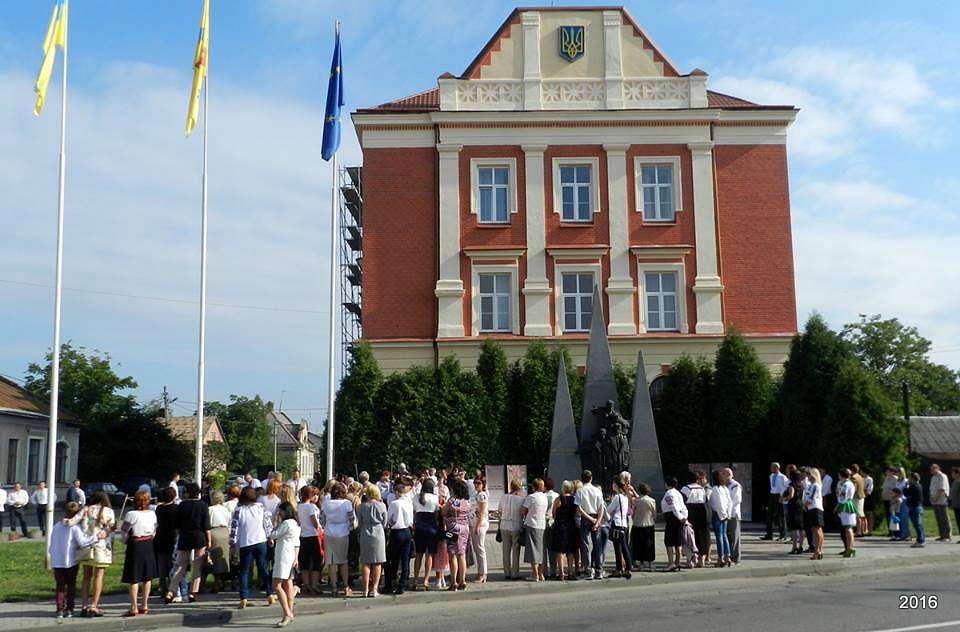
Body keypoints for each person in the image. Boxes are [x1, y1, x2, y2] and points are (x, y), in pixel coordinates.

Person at [49, 501, 106, 619]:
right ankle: (69, 609)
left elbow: (52, 542)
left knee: (60, 586)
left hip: (57, 560)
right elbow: (83, 542)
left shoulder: (56, 526)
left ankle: (60, 609)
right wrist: (96, 537)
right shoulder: (75, 528)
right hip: (70, 560)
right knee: (71, 585)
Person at [230, 486, 275, 608]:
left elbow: (234, 528)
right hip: (260, 541)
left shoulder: (239, 510)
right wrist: (270, 537)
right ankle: (270, 593)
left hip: (246, 543)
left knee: (244, 571)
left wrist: (232, 543)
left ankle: (244, 598)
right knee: (263, 568)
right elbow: (267, 524)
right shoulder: (260, 508)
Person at [167, 482, 210, 604]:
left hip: (185, 536)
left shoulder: (182, 505)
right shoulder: (203, 505)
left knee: (180, 565)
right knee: (197, 566)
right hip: (199, 536)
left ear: (188, 492)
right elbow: (206, 525)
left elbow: (177, 525)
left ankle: (171, 590)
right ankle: (192, 592)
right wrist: (209, 540)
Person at [120, 491, 158, 617]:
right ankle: (145, 604)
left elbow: (125, 531)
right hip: (148, 543)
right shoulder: (152, 514)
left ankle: (133, 606)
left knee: (134, 576)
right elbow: (154, 530)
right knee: (147, 576)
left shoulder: (131, 514)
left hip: (135, 544)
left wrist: (125, 541)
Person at [78, 491, 115, 618]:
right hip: (101, 547)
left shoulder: (86, 509)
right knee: (98, 576)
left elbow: (81, 526)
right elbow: (111, 528)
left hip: (87, 545)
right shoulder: (108, 511)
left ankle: (83, 605)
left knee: (86, 576)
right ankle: (94, 605)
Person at [269, 502, 301, 628]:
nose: (279, 513)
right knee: (288, 583)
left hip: (284, 554)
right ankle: (289, 612)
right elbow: (297, 542)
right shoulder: (296, 523)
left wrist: (275, 522)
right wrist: (296, 557)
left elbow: (273, 534)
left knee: (276, 585)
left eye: (280, 511)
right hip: (291, 553)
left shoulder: (286, 523)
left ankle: (287, 614)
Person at [321, 481, 355, 596]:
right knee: (343, 561)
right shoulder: (347, 503)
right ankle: (346, 587)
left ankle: (334, 587)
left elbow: (322, 519)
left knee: (331, 562)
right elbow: (352, 519)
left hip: (329, 533)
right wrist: (349, 529)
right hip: (343, 533)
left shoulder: (326, 503)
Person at [574, 470, 606, 580]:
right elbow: (602, 507)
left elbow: (579, 509)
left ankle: (588, 571)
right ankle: (599, 570)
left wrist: (589, 518)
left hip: (586, 518)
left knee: (586, 545)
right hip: (596, 516)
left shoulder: (580, 491)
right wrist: (597, 521)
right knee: (598, 545)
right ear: (591, 478)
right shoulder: (597, 491)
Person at [384, 479, 414, 595]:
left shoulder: (394, 503)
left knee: (391, 558)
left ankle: (389, 582)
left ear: (397, 492)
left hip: (397, 531)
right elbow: (410, 519)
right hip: (407, 531)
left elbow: (390, 519)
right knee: (405, 559)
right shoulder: (408, 503)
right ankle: (402, 584)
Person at [358, 484, 387, 598]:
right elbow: (385, 522)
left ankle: (365, 589)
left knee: (365, 562)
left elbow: (359, 522)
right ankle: (374, 588)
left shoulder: (362, 506)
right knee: (377, 562)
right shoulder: (382, 505)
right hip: (378, 532)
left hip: (365, 531)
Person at [443, 478, 472, 591]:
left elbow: (444, 511)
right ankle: (463, 580)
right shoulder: (467, 501)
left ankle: (453, 582)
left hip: (452, 530)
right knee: (462, 555)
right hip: (465, 529)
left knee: (452, 554)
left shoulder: (452, 501)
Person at [153, 487, 180, 603]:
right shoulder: (176, 508)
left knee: (162, 565)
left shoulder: (159, 509)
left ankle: (163, 587)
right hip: (172, 537)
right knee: (172, 565)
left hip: (160, 537)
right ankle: (171, 588)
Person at [412, 478, 439, 590]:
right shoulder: (435, 498)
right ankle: (426, 580)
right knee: (429, 555)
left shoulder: (416, 497)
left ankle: (415, 579)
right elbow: (437, 513)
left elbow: (414, 512)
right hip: (431, 526)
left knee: (418, 555)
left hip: (419, 526)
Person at [549, 481, 579, 580]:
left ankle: (561, 573)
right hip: (571, 525)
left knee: (560, 551)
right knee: (570, 551)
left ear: (563, 488)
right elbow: (576, 512)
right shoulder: (574, 499)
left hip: (560, 526)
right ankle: (570, 572)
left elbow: (553, 513)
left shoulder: (559, 499)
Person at [296, 486, 322, 594]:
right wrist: (319, 528)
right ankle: (314, 585)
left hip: (302, 536)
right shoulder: (310, 507)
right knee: (316, 561)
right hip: (312, 535)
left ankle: (306, 584)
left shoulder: (299, 506)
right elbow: (314, 521)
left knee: (304, 562)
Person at [521, 478, 548, 583]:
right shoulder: (544, 497)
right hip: (542, 525)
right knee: (541, 550)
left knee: (532, 550)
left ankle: (535, 574)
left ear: (533, 486)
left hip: (532, 524)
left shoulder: (531, 497)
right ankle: (541, 574)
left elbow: (523, 511)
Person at [206, 490, 232, 593]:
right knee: (223, 558)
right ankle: (222, 581)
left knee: (214, 559)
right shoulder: (225, 510)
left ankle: (217, 582)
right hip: (225, 532)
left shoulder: (210, 509)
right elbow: (229, 521)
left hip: (214, 531)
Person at [681, 472, 709, 566]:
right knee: (701, 535)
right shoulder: (702, 488)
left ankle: (690, 560)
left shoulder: (686, 488)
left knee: (689, 535)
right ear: (697, 480)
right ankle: (701, 559)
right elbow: (705, 500)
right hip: (701, 511)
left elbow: (682, 501)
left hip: (690, 511)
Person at [499, 478, 525, 580]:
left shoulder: (503, 497)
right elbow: (523, 513)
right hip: (516, 525)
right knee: (516, 550)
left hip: (504, 524)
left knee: (505, 550)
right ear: (519, 488)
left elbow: (499, 510)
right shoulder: (521, 499)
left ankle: (507, 572)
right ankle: (515, 573)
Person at [607, 478, 632, 578]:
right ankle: (623, 568)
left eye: (613, 484)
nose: (612, 486)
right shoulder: (625, 497)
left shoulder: (617, 497)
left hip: (617, 524)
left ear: (616, 485)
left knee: (620, 548)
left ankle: (623, 568)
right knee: (623, 546)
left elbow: (609, 510)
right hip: (624, 524)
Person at [661, 476, 688, 572]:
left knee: (669, 541)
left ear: (667, 484)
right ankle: (678, 562)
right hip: (680, 517)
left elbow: (673, 507)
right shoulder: (678, 493)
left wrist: (680, 517)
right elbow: (683, 507)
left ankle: (671, 563)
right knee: (678, 541)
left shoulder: (669, 493)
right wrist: (684, 517)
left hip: (672, 518)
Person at [629, 482, 656, 571]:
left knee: (639, 544)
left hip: (637, 524)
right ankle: (650, 563)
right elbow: (654, 514)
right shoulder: (652, 501)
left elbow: (633, 513)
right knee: (649, 544)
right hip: (649, 524)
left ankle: (641, 564)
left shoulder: (636, 501)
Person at [709, 470, 732, 567]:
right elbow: (729, 502)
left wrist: (721, 514)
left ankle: (720, 558)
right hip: (725, 514)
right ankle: (728, 556)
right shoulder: (725, 488)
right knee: (724, 536)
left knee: (719, 537)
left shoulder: (715, 489)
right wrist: (728, 514)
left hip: (718, 514)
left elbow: (719, 504)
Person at [469, 476, 489, 583]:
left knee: (480, 549)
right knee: (477, 549)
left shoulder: (482, 495)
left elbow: (481, 512)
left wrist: (477, 525)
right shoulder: (476, 494)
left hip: (479, 524)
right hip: (474, 523)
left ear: (483, 484)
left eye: (479, 483)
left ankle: (483, 574)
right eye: (475, 482)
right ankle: (480, 571)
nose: (476, 484)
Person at [722, 468, 743, 565]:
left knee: (735, 536)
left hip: (733, 514)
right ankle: (729, 556)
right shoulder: (724, 485)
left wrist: (728, 510)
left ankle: (735, 558)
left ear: (729, 475)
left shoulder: (735, 485)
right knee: (728, 536)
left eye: (723, 474)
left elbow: (736, 500)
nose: (722, 475)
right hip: (726, 513)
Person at [835, 469, 858, 557]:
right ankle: (849, 548)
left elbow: (842, 496)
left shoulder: (846, 484)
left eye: (839, 475)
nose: (838, 477)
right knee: (847, 528)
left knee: (848, 528)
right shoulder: (846, 483)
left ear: (842, 475)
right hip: (846, 504)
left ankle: (850, 548)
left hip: (845, 505)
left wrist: (838, 495)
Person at [803, 468, 824, 560]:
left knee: (817, 530)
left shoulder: (815, 485)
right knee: (816, 530)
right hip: (812, 509)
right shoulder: (811, 485)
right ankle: (818, 550)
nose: (807, 476)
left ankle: (817, 551)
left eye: (809, 474)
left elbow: (811, 498)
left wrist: (804, 505)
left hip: (815, 508)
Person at [763, 463, 788, 540]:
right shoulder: (771, 476)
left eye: (772, 467)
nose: (771, 468)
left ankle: (782, 534)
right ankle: (769, 534)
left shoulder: (782, 477)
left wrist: (782, 495)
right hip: (772, 495)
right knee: (769, 515)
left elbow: (786, 486)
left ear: (777, 468)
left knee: (781, 515)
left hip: (779, 495)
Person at [783, 470, 805, 555]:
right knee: (801, 527)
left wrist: (785, 499)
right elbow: (803, 496)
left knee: (794, 528)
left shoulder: (791, 485)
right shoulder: (801, 485)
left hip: (793, 506)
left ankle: (794, 546)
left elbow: (791, 495)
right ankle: (801, 546)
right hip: (800, 505)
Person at [929, 464, 952, 542]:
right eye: (931, 469)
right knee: (938, 519)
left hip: (942, 500)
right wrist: (931, 497)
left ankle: (947, 536)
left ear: (937, 468)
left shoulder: (942, 476)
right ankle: (942, 535)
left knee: (944, 518)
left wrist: (935, 497)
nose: (931, 471)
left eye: (933, 469)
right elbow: (931, 488)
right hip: (934, 501)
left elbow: (942, 489)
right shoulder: (933, 477)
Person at [542, 479, 559, 578]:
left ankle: (544, 571)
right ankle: (553, 570)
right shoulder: (556, 495)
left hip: (544, 522)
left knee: (543, 548)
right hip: (553, 523)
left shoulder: (543, 496)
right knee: (552, 548)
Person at [904, 472, 925, 548]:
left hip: (914, 507)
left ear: (912, 478)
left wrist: (906, 486)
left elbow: (906, 494)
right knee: (918, 524)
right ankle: (920, 540)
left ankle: (921, 541)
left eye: (909, 477)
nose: (908, 479)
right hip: (916, 506)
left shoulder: (913, 486)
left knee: (917, 524)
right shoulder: (918, 485)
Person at [850, 464, 866, 537]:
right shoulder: (860, 476)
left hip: (856, 497)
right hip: (862, 496)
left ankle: (858, 531)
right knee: (861, 514)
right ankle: (862, 530)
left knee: (857, 515)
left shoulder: (854, 477)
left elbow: (854, 488)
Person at [863, 469, 876, 536]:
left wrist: (865, 491)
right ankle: (865, 529)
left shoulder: (869, 479)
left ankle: (870, 530)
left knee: (869, 514)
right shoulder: (862, 478)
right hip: (862, 497)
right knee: (863, 514)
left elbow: (869, 489)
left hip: (868, 497)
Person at [950, 467, 960, 543]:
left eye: (953, 473)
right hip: (955, 505)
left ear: (957, 474)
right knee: (958, 521)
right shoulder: (954, 482)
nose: (952, 475)